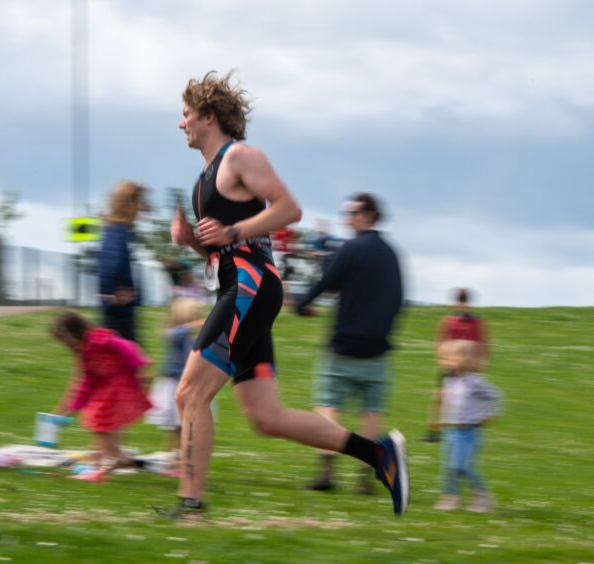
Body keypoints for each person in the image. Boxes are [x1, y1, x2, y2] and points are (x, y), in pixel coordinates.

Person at [167, 70, 408, 518]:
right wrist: (192, 241)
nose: (180, 124)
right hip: (239, 290)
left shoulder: (240, 157)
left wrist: (233, 229)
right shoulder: (203, 182)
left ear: (208, 116)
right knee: (267, 417)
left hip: (250, 289)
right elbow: (222, 245)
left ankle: (190, 506)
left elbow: (289, 209)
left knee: (189, 395)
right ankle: (380, 457)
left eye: (185, 115)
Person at [295, 193, 403, 494]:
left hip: (341, 348)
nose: (347, 219)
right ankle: (364, 478)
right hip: (378, 351)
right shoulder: (391, 254)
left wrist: (301, 304)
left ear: (369, 216)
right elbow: (398, 299)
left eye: (352, 213)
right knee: (370, 412)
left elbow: (325, 281)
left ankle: (327, 473)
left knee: (328, 406)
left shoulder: (351, 248)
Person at [52, 310, 152, 482]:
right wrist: (72, 408)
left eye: (67, 341)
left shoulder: (100, 340)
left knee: (101, 422)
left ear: (75, 333)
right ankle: (116, 459)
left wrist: (141, 368)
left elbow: (128, 348)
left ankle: (105, 466)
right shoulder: (84, 354)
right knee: (100, 423)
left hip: (120, 385)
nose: (67, 346)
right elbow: (86, 383)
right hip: (106, 390)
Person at [433, 340, 502, 512]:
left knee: (462, 467)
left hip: (468, 431)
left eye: (449, 358)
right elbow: (448, 403)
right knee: (448, 467)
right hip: (450, 430)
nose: (444, 361)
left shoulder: (474, 381)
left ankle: (482, 496)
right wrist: (441, 420)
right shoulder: (450, 380)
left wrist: (490, 413)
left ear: (464, 359)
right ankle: (450, 498)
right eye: (443, 358)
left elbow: (495, 396)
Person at [424, 288, 490, 442]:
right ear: (456, 303)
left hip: (470, 367)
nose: (462, 306)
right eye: (460, 303)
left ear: (468, 303)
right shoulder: (448, 320)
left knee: (469, 398)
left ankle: (466, 429)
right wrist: (442, 359)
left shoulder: (478, 322)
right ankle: (433, 430)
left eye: (464, 303)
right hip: (450, 366)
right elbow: (440, 341)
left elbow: (484, 342)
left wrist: (483, 361)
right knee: (441, 396)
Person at [145, 298, 204, 464]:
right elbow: (172, 334)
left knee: (183, 425)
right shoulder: (174, 334)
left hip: (188, 384)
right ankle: (174, 456)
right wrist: (193, 325)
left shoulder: (190, 338)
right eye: (192, 316)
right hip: (173, 384)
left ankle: (177, 457)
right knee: (175, 426)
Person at [98, 181, 148, 342]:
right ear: (129, 204)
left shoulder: (116, 230)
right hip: (119, 316)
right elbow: (112, 262)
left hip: (119, 314)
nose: (141, 210)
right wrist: (112, 294)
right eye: (138, 203)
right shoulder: (117, 232)